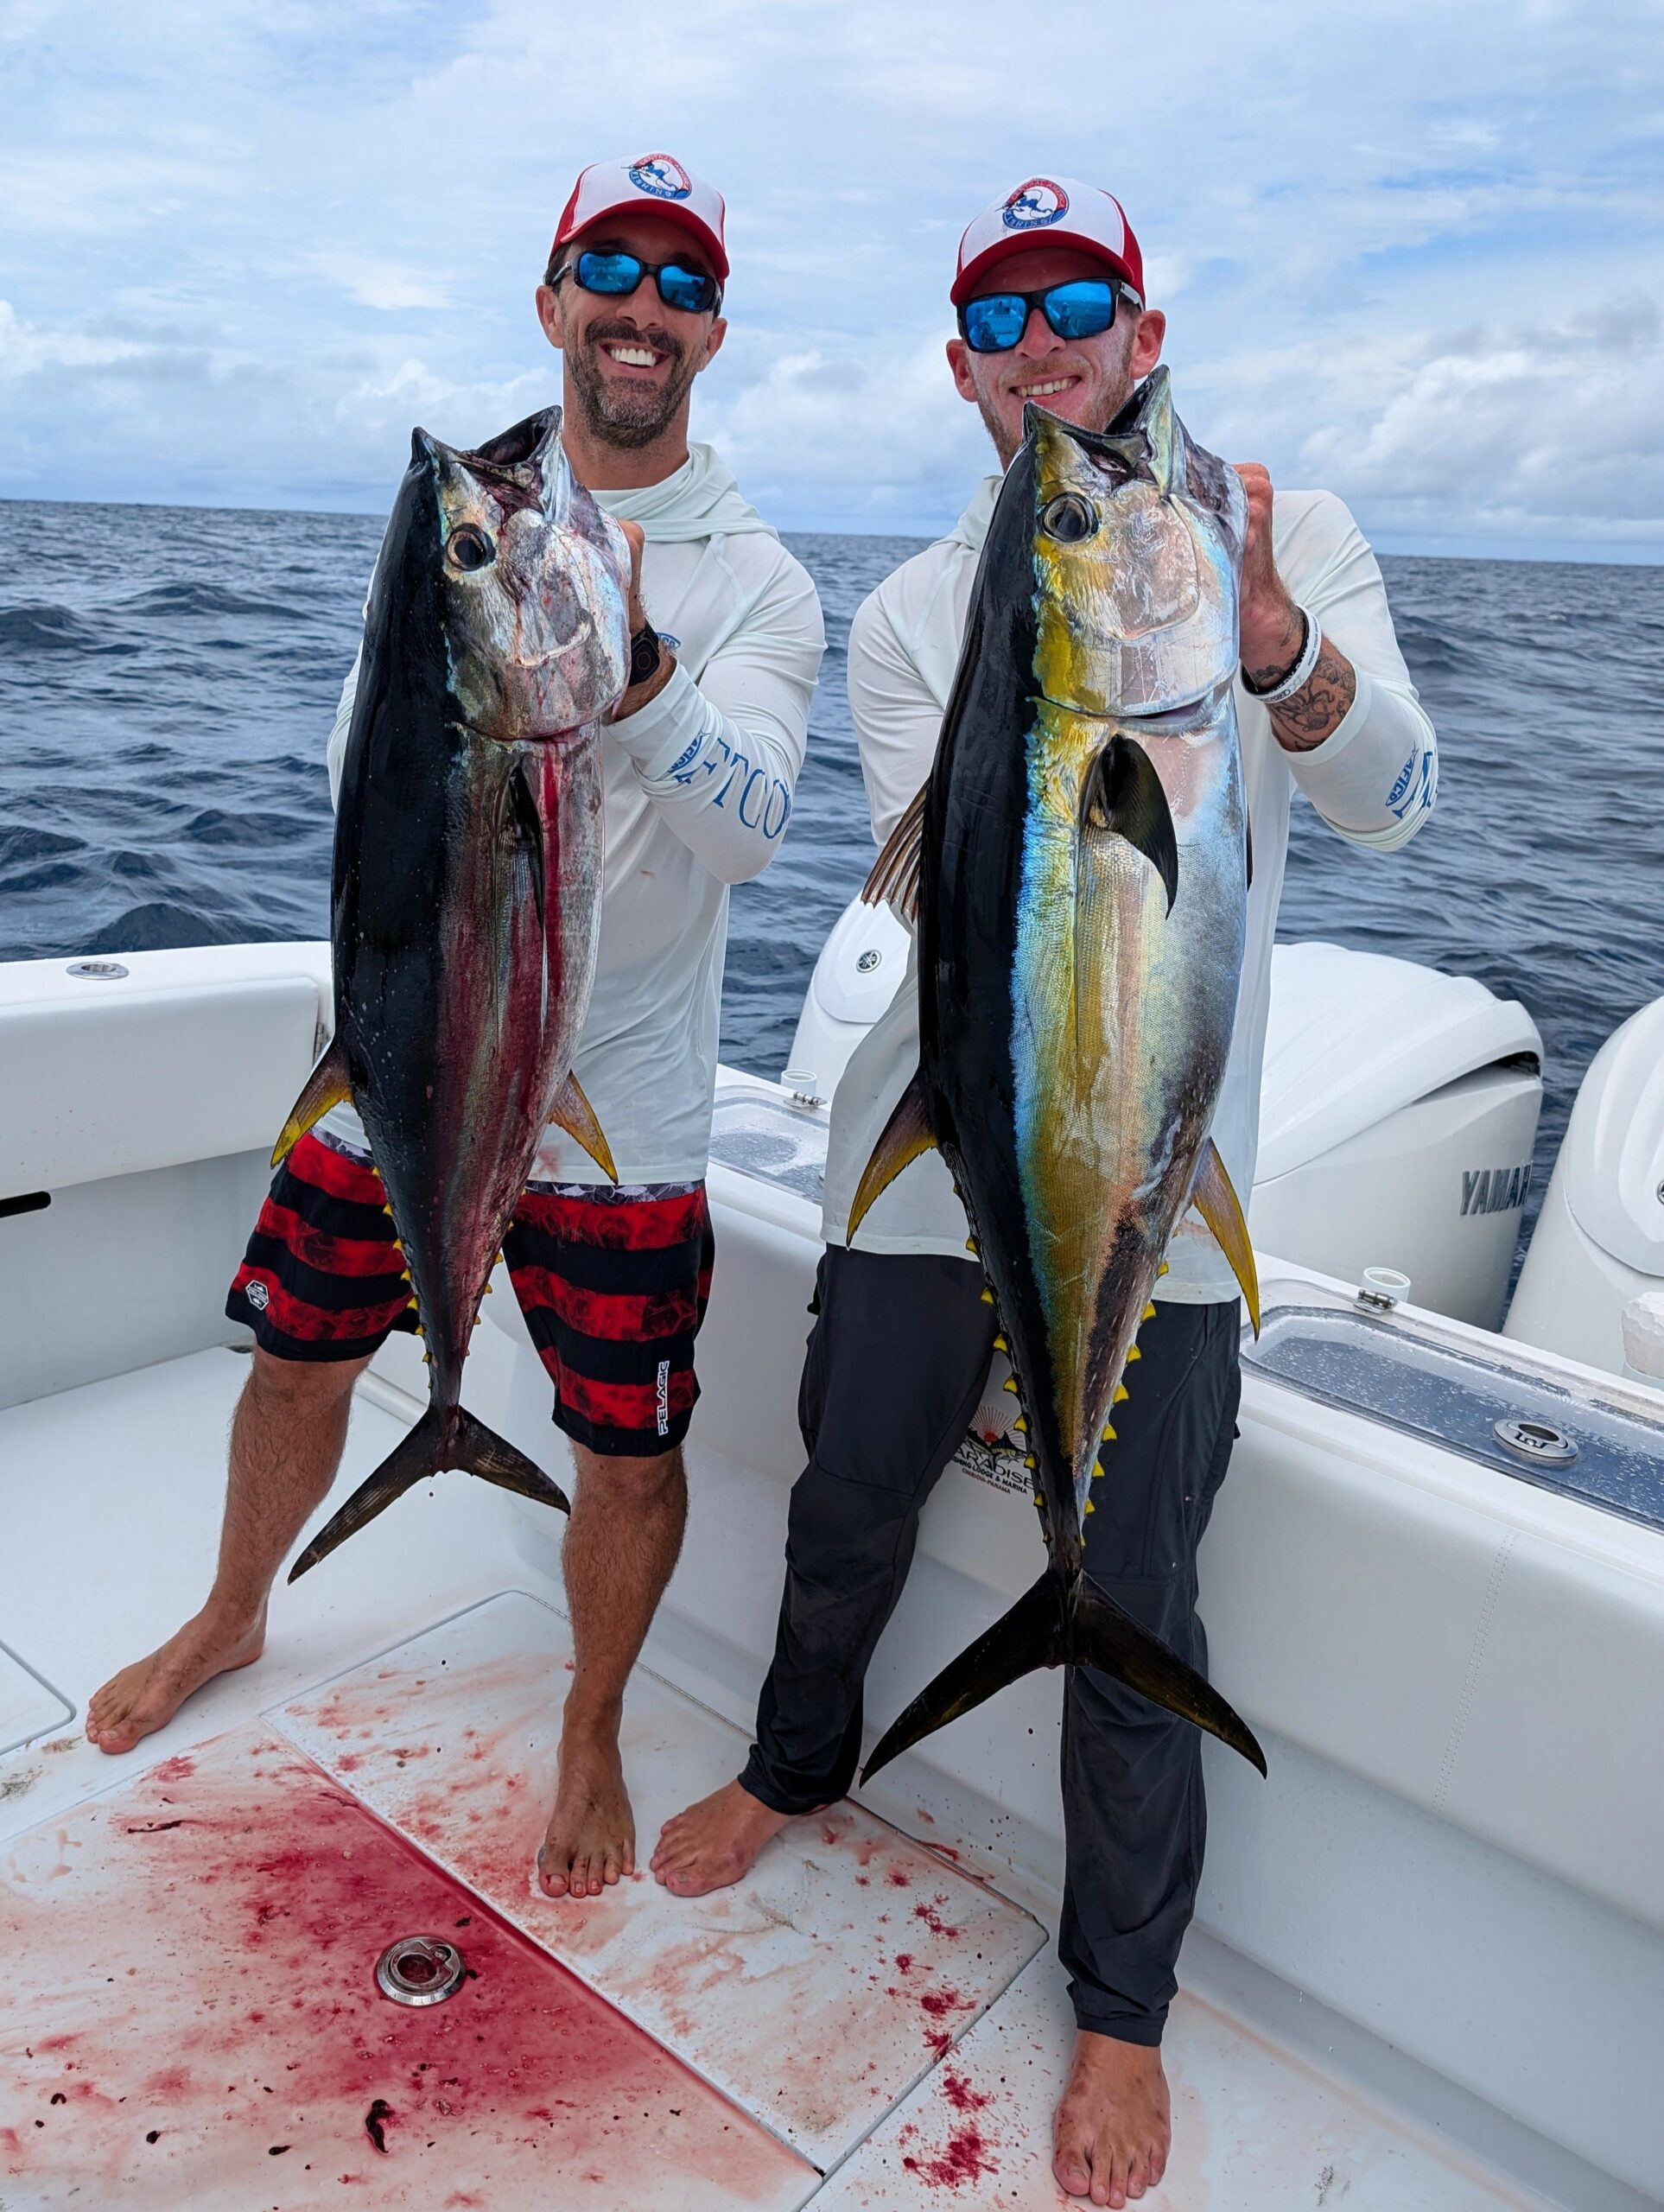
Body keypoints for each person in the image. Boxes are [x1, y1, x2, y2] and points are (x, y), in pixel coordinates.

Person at [652, 175, 1437, 2208]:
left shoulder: (1283, 540)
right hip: (955, 1139)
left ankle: (1118, 1998)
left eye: (1078, 298)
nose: (1043, 338)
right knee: (843, 1495)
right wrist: (1096, 617)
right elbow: (971, 887)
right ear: (962, 368)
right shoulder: (922, 607)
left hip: (1164, 1177)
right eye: (999, 316)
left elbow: (1401, 806)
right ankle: (794, 1758)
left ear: (1144, 332)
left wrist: (1271, 655)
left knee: (1141, 1592)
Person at [86, 152, 827, 1911]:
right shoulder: (457, 535)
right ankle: (235, 1606)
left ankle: (590, 1724)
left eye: (680, 280)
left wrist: (629, 675)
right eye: (610, 270)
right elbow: (376, 816)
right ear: (554, 298)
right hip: (402, 1050)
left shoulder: (766, 585)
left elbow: (756, 828)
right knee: (295, 1352)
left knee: (623, 1443)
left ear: (710, 326)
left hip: (624, 1091)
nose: (641, 309)